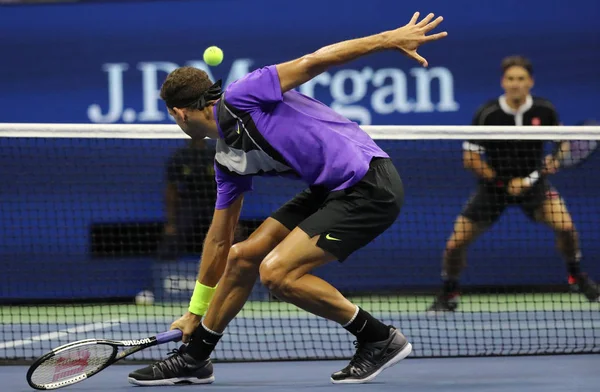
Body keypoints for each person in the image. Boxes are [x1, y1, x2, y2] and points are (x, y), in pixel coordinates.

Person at [129, 12, 447, 385]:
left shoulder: (245, 94)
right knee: (242, 256)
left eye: (172, 117)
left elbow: (316, 60)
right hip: (328, 189)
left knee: (277, 273)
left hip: (368, 183)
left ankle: (378, 338)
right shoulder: (228, 160)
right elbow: (219, 240)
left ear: (179, 113)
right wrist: (194, 312)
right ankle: (195, 356)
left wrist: (388, 39)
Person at [428, 55, 600, 312]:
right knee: (455, 244)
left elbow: (563, 142)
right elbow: (470, 158)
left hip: (535, 187)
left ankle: (576, 277)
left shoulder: (545, 110)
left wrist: (556, 158)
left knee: (566, 228)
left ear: (530, 82)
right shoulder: (488, 113)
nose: (515, 84)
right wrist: (502, 182)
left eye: (521, 79)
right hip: (493, 188)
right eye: (510, 79)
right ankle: (449, 291)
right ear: (503, 82)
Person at [159, 138, 217, 259]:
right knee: (172, 237)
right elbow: (171, 190)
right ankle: (166, 270)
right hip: (188, 203)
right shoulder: (179, 157)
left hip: (214, 203)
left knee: (231, 234)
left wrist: (233, 219)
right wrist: (171, 223)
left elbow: (229, 186)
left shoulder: (216, 154)